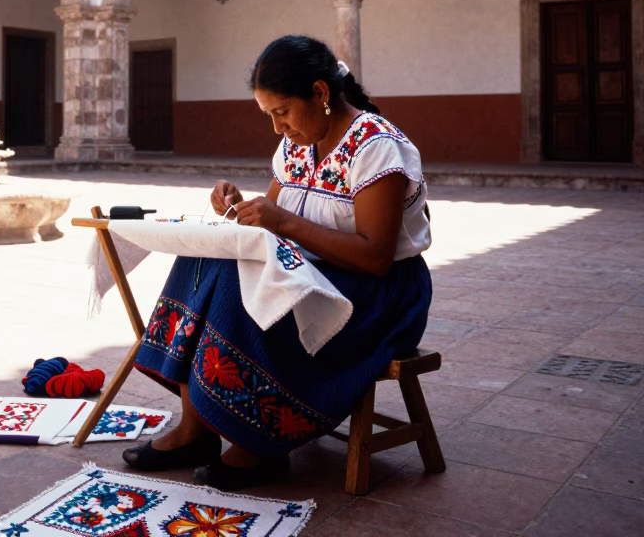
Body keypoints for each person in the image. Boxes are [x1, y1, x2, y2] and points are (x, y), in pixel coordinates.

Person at [122, 34, 433, 491]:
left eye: (282, 112)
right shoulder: (296, 145)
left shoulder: (376, 146)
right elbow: (266, 221)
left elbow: (375, 258)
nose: (277, 127)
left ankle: (259, 442)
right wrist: (236, 207)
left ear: (321, 94)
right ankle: (196, 430)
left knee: (237, 279)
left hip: (376, 299)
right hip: (317, 274)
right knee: (206, 256)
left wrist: (282, 222)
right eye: (268, 116)